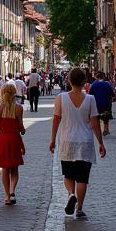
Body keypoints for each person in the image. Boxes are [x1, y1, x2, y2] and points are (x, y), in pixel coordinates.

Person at [49, 66, 105, 220]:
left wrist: (53, 139)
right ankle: (79, 208)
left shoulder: (61, 98)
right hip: (85, 141)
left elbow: (56, 119)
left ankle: (71, 194)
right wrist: (100, 143)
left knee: (68, 174)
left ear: (69, 80)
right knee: (82, 177)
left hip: (67, 141)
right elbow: (94, 123)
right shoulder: (90, 99)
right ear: (84, 81)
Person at [0, 82, 26, 204]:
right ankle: (12, 192)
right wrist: (22, 130)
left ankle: (6, 195)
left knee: (5, 169)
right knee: (14, 168)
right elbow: (21, 126)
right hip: (14, 139)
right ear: (14, 94)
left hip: (3, 140)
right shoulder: (18, 108)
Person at [89, 70, 115, 136]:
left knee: (97, 118)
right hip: (106, 104)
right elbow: (112, 93)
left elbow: (90, 94)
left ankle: (98, 130)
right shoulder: (107, 84)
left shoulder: (93, 84)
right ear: (103, 77)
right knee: (105, 117)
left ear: (96, 77)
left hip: (96, 104)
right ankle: (106, 129)